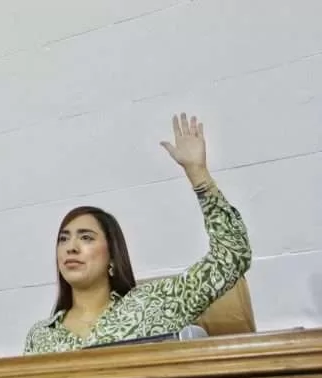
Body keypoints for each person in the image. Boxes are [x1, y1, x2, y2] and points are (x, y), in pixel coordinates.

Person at [23, 113, 252, 354]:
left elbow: (232, 256)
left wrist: (199, 175)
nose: (71, 247)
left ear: (112, 255)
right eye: (63, 238)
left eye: (86, 237)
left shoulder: (155, 304)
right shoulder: (40, 337)